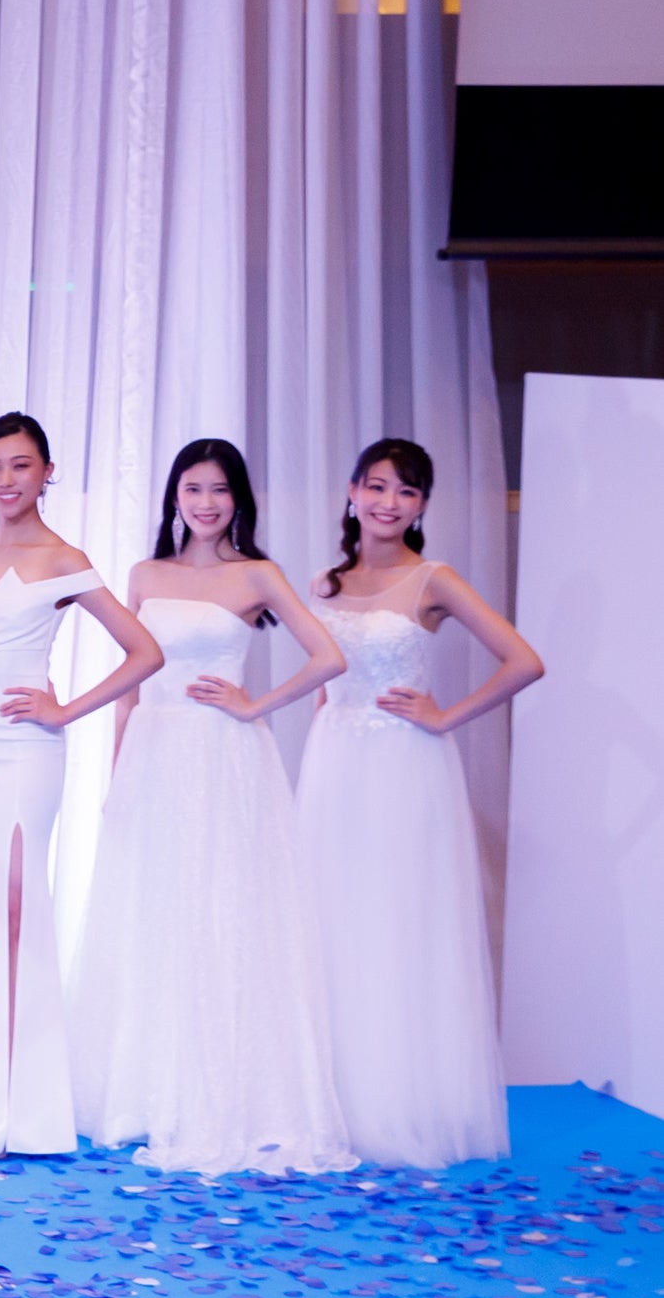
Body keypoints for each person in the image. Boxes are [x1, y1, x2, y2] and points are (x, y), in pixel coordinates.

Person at [70, 440, 355, 1175]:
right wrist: (117, 771)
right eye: (193, 488)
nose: (206, 502)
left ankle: (224, 1095)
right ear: (174, 496)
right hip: (154, 753)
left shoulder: (257, 574)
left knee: (221, 912)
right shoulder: (145, 574)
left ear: (238, 499)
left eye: (219, 489)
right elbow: (131, 681)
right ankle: (145, 1092)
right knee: (154, 912)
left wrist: (256, 703)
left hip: (225, 758)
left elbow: (328, 656)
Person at [0, 412, 161, 1156]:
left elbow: (144, 652)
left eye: (20, 465)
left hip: (24, 751)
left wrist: (65, 710)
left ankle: (18, 1106)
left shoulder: (62, 558)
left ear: (48, 472)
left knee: (16, 911)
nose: (6, 479)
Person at [300, 437, 542, 1166]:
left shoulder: (434, 579)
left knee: (397, 921)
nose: (388, 502)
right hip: (334, 761)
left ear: (422, 506)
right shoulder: (325, 584)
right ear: (352, 492)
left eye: (406, 491)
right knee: (331, 919)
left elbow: (524, 660)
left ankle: (399, 1104)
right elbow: (325, 684)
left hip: (404, 767)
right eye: (376, 486)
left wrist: (445, 715)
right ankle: (331, 1098)